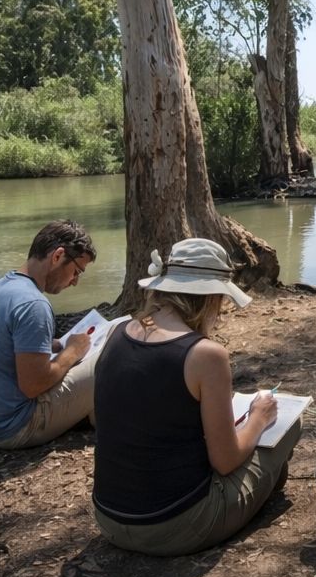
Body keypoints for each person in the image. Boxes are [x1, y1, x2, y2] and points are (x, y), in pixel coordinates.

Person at [91, 238, 299, 556]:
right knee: (289, 426)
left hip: (109, 518)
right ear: (210, 298)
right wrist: (258, 418)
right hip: (175, 526)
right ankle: (259, 491)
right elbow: (225, 461)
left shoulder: (117, 331)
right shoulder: (205, 355)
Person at [0, 220, 99, 449]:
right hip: (15, 428)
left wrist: (54, 345)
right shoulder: (34, 304)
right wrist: (72, 351)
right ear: (58, 256)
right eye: (76, 271)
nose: (75, 282)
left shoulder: (1, 287)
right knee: (107, 358)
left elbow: (8, 343)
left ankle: (91, 412)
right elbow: (34, 385)